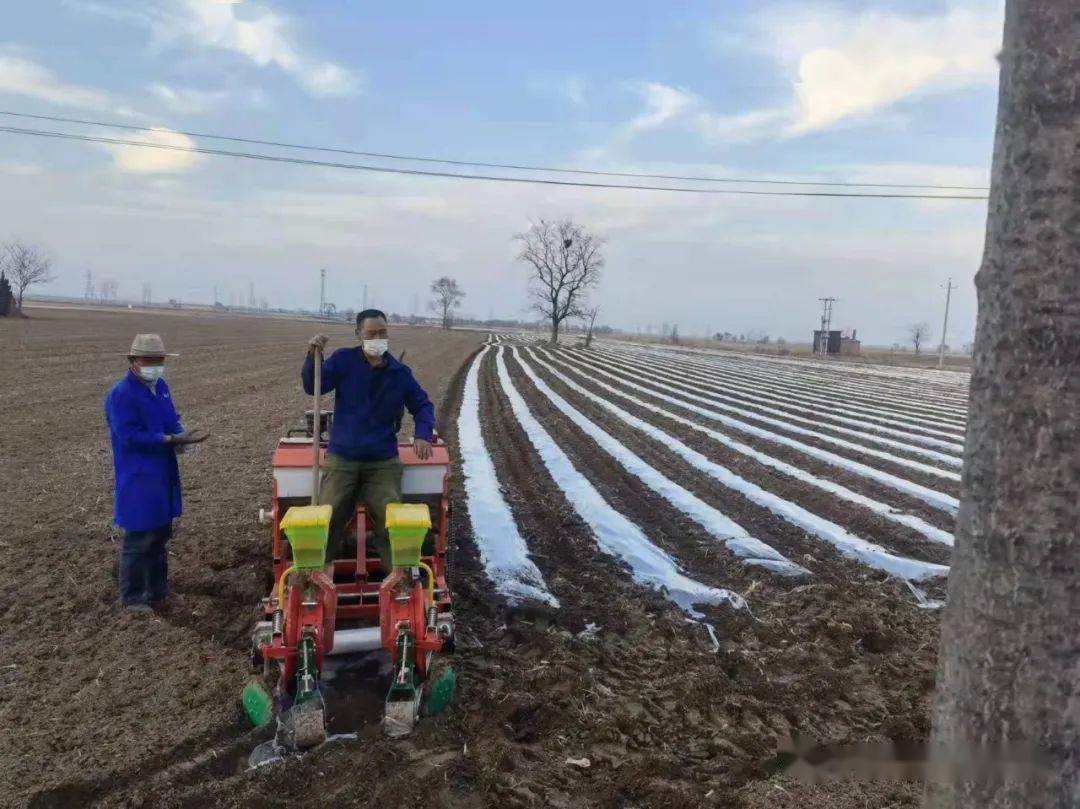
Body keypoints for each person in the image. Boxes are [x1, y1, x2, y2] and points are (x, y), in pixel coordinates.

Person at [303, 309, 435, 574]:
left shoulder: (400, 374)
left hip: (382, 460)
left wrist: (423, 434)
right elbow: (312, 385)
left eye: (382, 333)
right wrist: (312, 357)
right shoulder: (343, 361)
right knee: (328, 515)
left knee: (393, 519)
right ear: (359, 334)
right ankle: (317, 574)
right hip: (343, 458)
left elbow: (422, 405)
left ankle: (399, 576)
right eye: (371, 333)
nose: (378, 338)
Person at [105, 334, 207, 613]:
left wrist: (180, 435)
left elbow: (169, 419)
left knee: (160, 535)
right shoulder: (121, 394)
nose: (155, 366)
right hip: (138, 475)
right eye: (149, 361)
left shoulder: (160, 387)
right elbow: (127, 435)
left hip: (162, 472)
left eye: (159, 361)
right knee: (139, 537)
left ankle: (158, 590)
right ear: (134, 362)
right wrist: (164, 440)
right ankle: (133, 597)